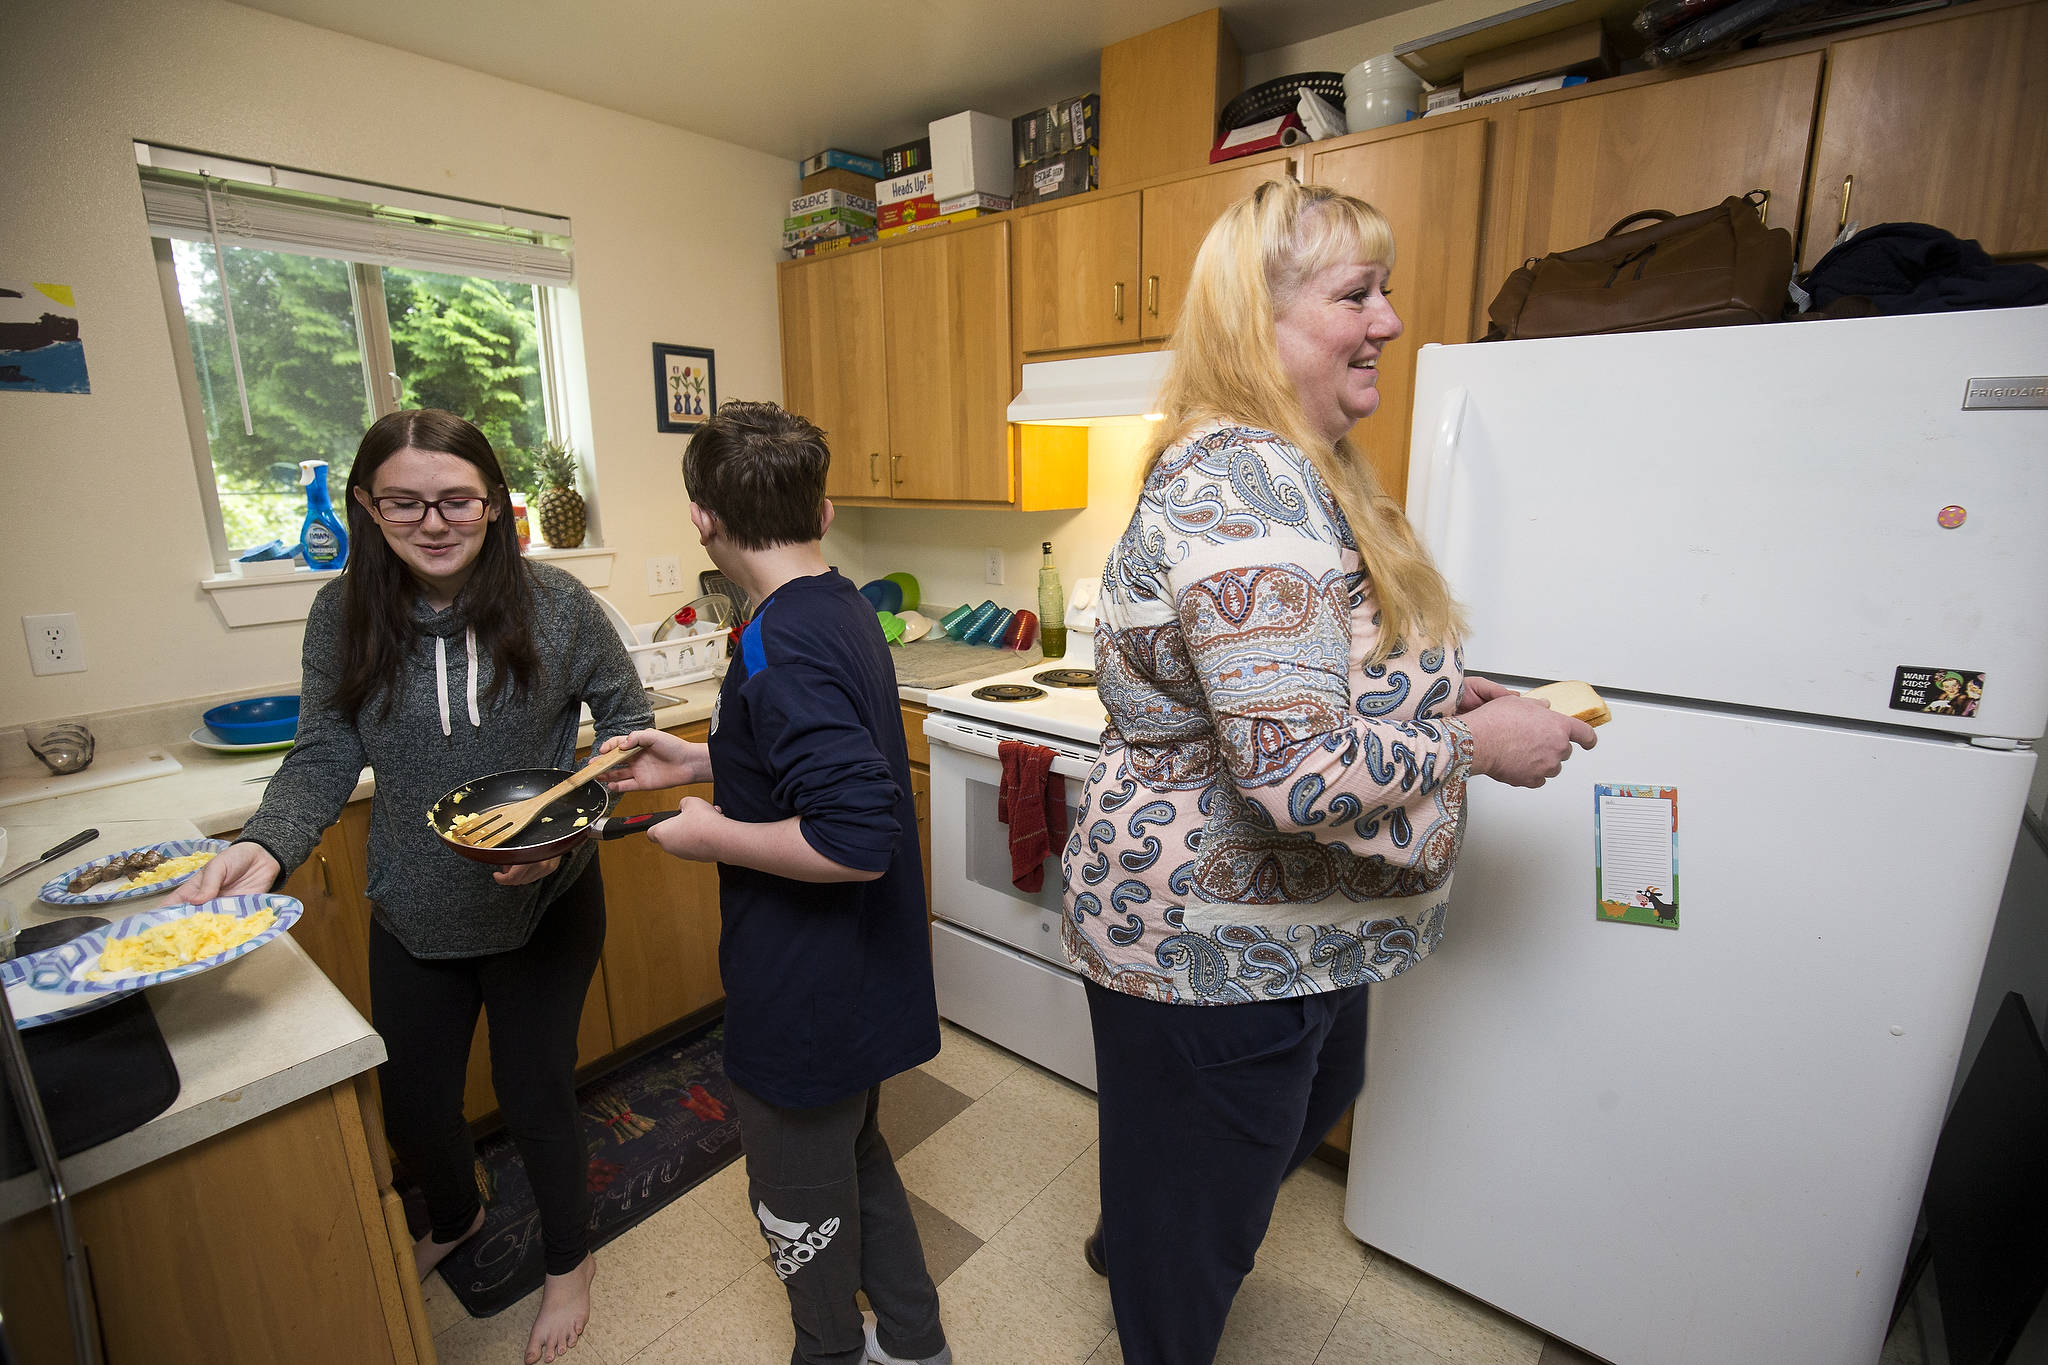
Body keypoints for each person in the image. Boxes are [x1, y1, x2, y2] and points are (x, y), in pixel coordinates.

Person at [1064, 180, 1597, 1365]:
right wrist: (1480, 746)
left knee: (1282, 1112)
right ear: (1260, 319)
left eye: (1382, 289)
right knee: (1200, 1222)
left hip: (1288, 935)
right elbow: (1296, 770)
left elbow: (1318, 681)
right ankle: (1158, 1273)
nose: (1391, 321)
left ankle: (1151, 1228)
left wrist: (1441, 691)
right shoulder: (1240, 483)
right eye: (1356, 293)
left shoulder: (1305, 468)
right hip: (1207, 946)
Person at [173, 409, 650, 1365]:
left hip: (543, 903)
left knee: (534, 1093)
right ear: (366, 505)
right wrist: (268, 845)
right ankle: (461, 1214)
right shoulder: (341, 614)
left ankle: (568, 1259)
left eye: (457, 499)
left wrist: (564, 834)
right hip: (414, 904)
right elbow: (322, 752)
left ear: (495, 504)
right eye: (404, 502)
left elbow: (628, 725)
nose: (434, 521)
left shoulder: (557, 605)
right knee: (414, 1103)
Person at [596, 401, 950, 1365]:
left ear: (703, 519)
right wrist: (699, 760)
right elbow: (802, 756)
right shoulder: (834, 604)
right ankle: (914, 1344)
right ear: (824, 510)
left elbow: (856, 837)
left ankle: (830, 1352)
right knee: (856, 1154)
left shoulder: (775, 640)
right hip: (862, 973)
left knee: (796, 1203)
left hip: (803, 987)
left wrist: (714, 837)